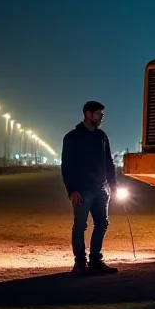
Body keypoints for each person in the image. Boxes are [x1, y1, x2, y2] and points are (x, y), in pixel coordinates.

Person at [61, 100, 119, 275]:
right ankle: (80, 263)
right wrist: (71, 190)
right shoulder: (72, 137)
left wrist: (113, 185)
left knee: (102, 223)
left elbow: (109, 162)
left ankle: (96, 260)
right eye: (98, 114)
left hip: (101, 189)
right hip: (82, 191)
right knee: (80, 226)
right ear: (88, 114)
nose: (101, 117)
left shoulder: (102, 137)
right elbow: (66, 166)